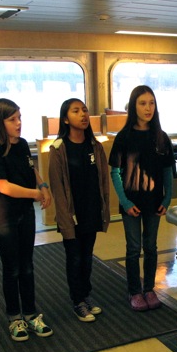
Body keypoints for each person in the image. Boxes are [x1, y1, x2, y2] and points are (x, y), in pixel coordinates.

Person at [0, 98, 54, 341]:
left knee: (27, 266)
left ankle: (31, 314)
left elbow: (31, 169)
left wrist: (43, 185)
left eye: (20, 118)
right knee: (11, 268)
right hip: (4, 216)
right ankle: (15, 317)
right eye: (12, 119)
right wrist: (35, 193)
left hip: (24, 213)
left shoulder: (21, 144)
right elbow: (4, 187)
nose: (19, 123)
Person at [109, 86, 174, 311]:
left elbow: (168, 172)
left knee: (152, 247)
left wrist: (166, 201)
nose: (148, 108)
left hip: (154, 202)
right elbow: (114, 172)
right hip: (131, 203)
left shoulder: (161, 137)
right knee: (134, 248)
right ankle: (134, 291)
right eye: (142, 103)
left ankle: (149, 289)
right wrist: (125, 202)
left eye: (151, 103)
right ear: (133, 106)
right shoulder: (124, 137)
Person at [49, 98, 110, 322]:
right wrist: (66, 221)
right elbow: (57, 188)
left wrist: (103, 209)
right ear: (65, 119)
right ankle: (77, 300)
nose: (83, 114)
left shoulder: (95, 146)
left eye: (85, 110)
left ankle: (85, 295)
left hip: (91, 211)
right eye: (76, 111)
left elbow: (102, 181)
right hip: (71, 216)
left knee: (87, 257)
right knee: (74, 258)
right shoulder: (58, 149)